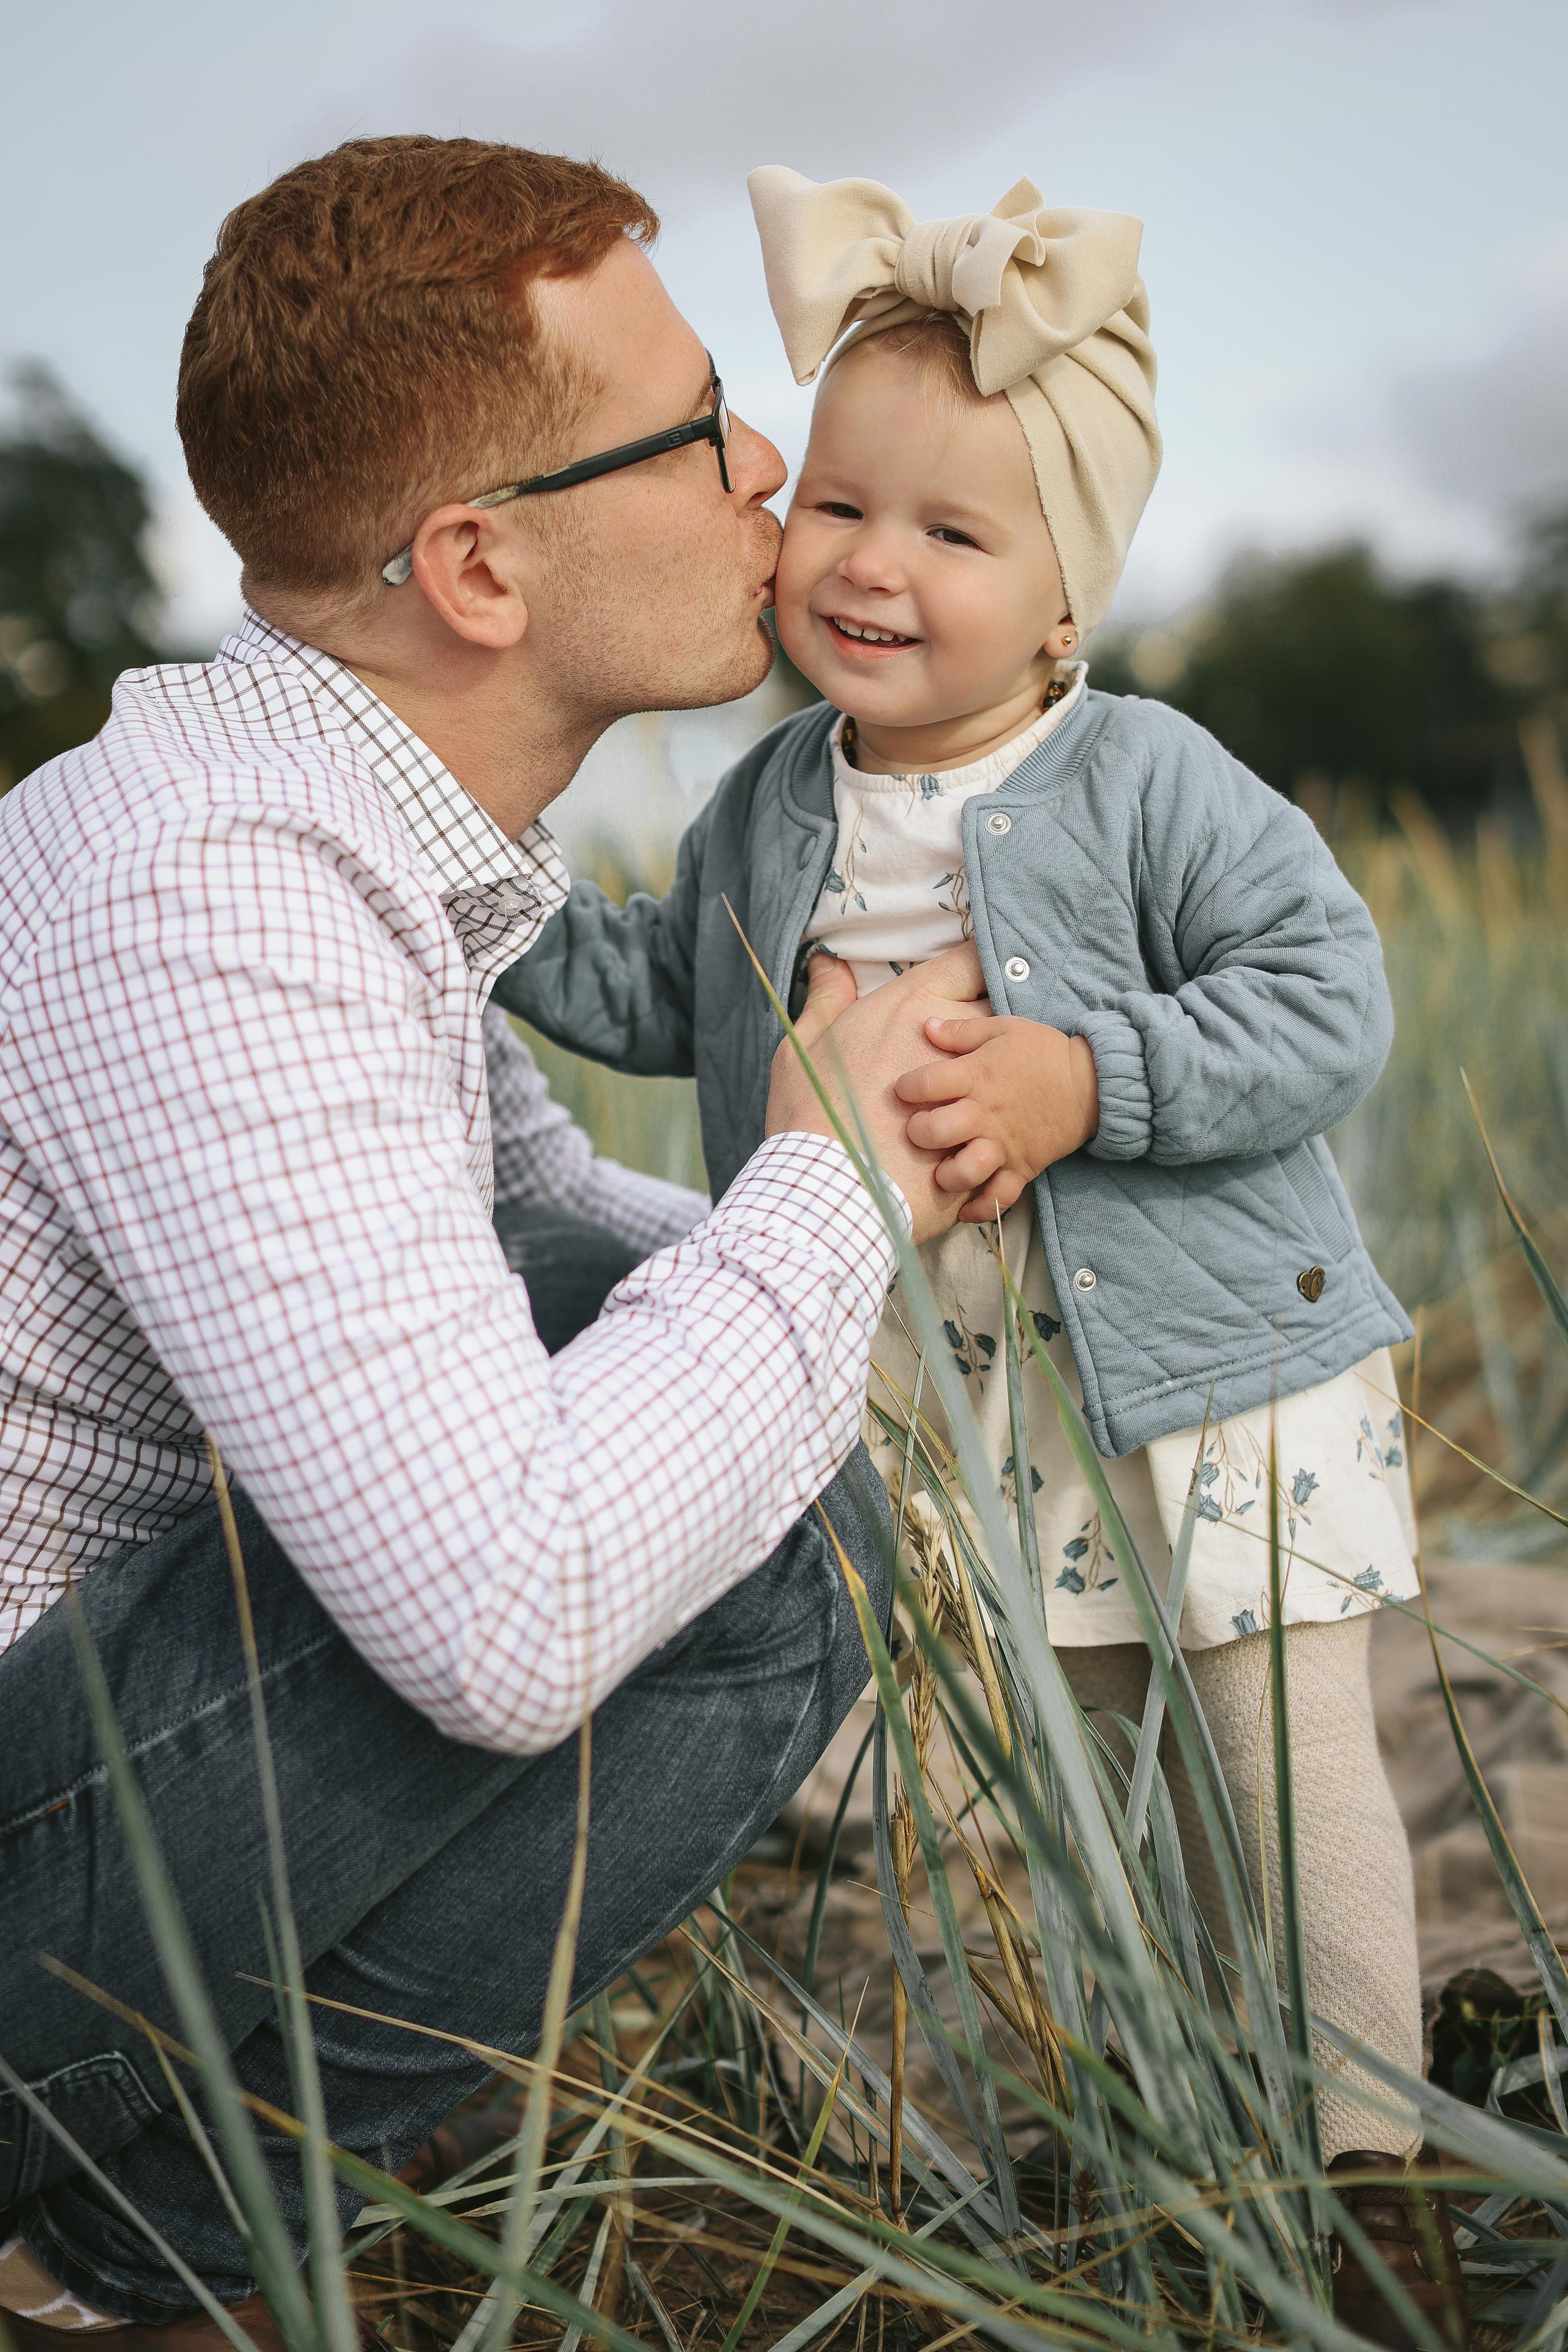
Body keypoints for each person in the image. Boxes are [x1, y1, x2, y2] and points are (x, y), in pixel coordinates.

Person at [0, 137, 993, 2350]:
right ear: (476, 566)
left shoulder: (332, 824)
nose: (769, 470)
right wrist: (828, 1190)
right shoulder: (214, 893)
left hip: (74, 1763)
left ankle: (133, 2230)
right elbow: (505, 1616)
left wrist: (956, 1299)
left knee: (714, 1374)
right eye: (697, 425)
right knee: (761, 1536)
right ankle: (136, 2246)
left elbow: (543, 1216)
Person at [497, 169, 1464, 2347]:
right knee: (1078, 1791)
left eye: (954, 534)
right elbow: (664, 989)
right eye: (840, 507)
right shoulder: (765, 810)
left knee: (1279, 1773)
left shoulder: (1145, 778)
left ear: (1062, 604)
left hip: (1220, 1383)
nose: (871, 565)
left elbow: (1325, 994)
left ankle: (1369, 2166)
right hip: (967, 1419)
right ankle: (1153, 2123)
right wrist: (471, 889)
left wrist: (1080, 1080)